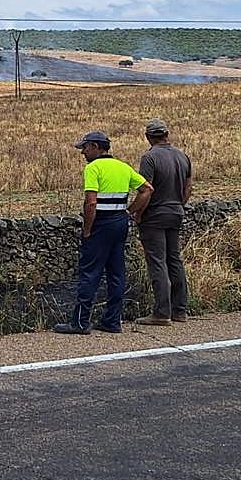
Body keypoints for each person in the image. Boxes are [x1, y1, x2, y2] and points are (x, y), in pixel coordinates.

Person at [54, 130, 153, 335]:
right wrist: (130, 211)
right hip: (120, 222)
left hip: (101, 223)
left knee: (90, 272)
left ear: (96, 147)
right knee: (116, 272)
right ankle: (112, 320)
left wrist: (87, 230)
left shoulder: (94, 168)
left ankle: (80, 323)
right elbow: (147, 189)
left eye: (85, 147)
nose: (83, 152)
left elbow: (91, 203)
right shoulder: (123, 167)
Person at [133, 118, 193, 325]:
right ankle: (180, 310)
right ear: (167, 134)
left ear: (148, 137)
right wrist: (179, 205)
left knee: (157, 262)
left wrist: (137, 212)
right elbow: (188, 188)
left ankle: (161, 312)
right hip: (176, 212)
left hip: (155, 215)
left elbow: (146, 189)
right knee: (174, 259)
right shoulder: (182, 156)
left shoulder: (149, 158)